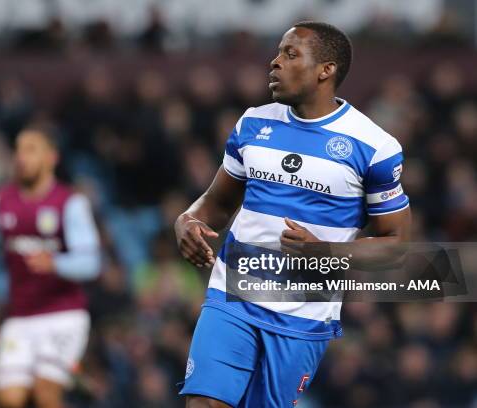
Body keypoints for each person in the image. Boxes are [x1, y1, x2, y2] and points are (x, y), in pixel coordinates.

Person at [174, 21, 411, 408]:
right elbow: (215, 205)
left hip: (303, 316)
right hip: (232, 297)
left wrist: (328, 252)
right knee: (203, 402)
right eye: (278, 52)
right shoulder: (253, 123)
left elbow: (397, 244)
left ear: (326, 69)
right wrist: (187, 220)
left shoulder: (374, 147)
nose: (274, 63)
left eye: (290, 54)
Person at [0, 124, 102, 408]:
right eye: (18, 150)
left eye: (31, 150)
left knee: (45, 393)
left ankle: (72, 375)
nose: (21, 157)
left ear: (51, 157)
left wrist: (56, 262)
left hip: (64, 315)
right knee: (8, 398)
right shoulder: (1, 200)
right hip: (19, 316)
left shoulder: (70, 202)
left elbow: (91, 263)